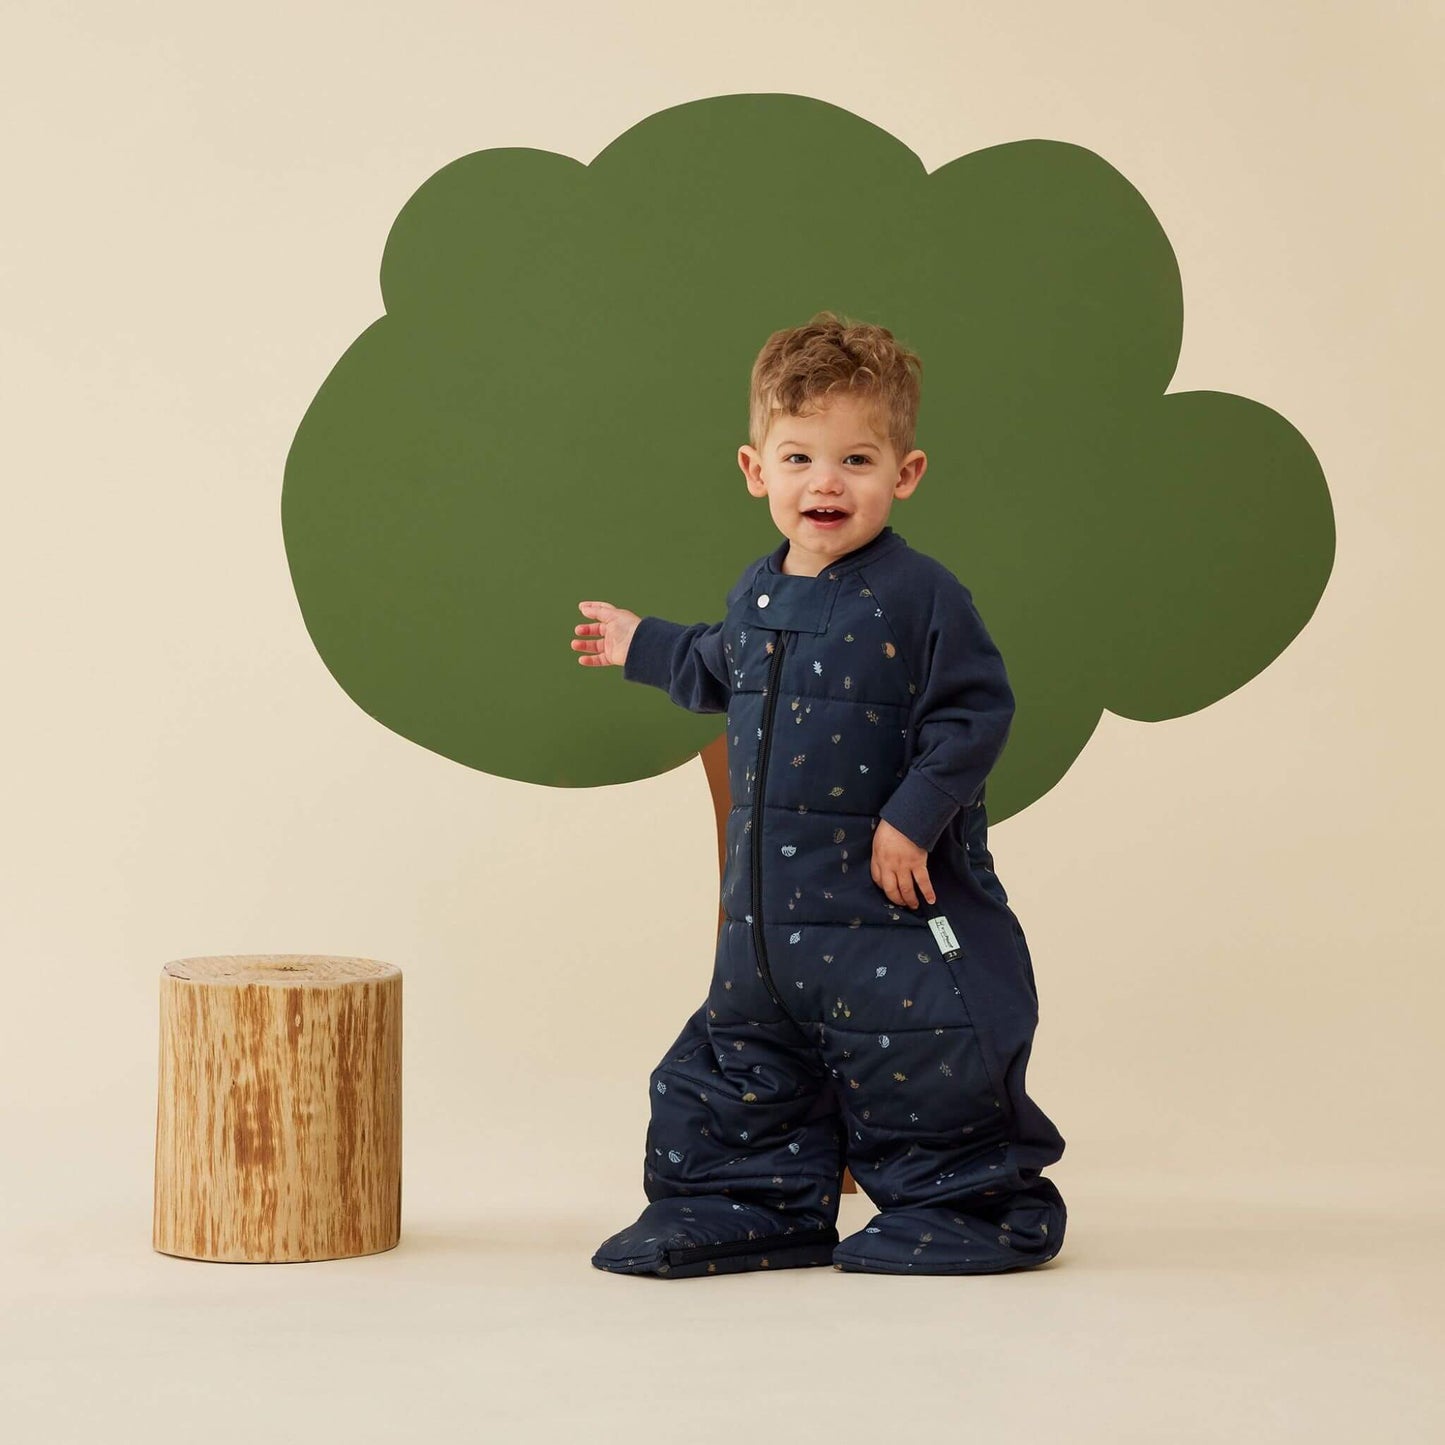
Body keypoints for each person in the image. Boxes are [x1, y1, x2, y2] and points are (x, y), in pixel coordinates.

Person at [570, 312, 1066, 1277]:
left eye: (855, 460)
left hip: (881, 913)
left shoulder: (918, 594)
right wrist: (642, 643)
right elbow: (717, 663)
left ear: (904, 473)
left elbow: (974, 712)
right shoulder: (758, 591)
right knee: (740, 1068)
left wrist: (911, 819)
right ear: (755, 469)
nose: (824, 483)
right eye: (798, 458)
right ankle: (748, 1202)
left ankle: (973, 1206)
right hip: (768, 930)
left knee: (920, 1058)